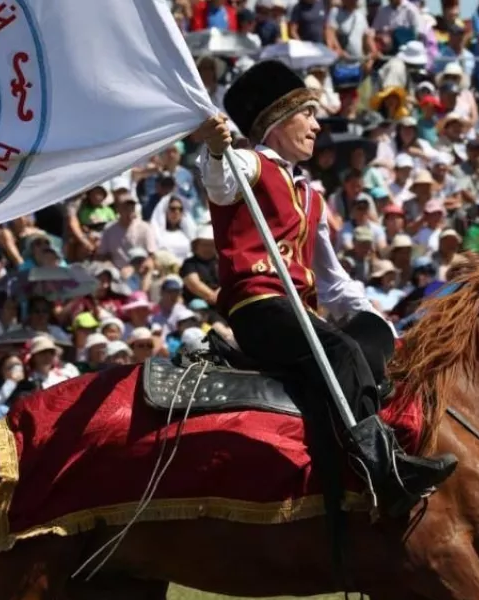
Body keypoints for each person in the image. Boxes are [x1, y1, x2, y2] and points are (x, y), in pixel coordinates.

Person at [194, 60, 456, 518]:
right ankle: (382, 470)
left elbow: (333, 281)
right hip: (260, 307)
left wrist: (378, 319)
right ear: (277, 122)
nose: (317, 126)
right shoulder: (248, 163)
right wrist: (216, 150)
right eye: (308, 114)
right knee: (341, 352)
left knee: (370, 339)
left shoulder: (312, 196)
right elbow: (218, 185)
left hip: (303, 312)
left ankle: (359, 448)